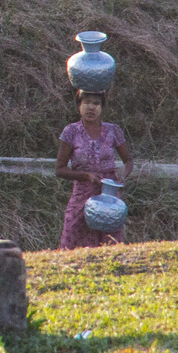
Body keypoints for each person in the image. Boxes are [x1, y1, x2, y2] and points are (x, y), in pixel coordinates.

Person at [55, 90, 133, 248]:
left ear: (102, 107)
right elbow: (60, 169)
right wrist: (86, 176)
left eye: (96, 104)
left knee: (111, 243)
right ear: (79, 105)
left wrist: (123, 173)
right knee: (72, 239)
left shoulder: (113, 130)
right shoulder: (71, 132)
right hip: (82, 195)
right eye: (86, 103)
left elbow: (128, 160)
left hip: (109, 195)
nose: (91, 108)